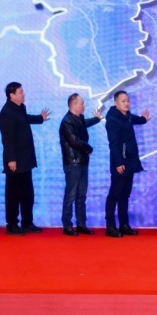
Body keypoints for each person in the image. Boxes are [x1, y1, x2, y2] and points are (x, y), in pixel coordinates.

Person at [0, 82, 51, 236]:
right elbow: (7, 139)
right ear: (11, 95)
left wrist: (40, 118)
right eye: (20, 92)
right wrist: (11, 159)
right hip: (15, 161)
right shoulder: (6, 113)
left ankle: (27, 222)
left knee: (27, 194)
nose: (23, 94)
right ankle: (12, 225)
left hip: (25, 160)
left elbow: (25, 119)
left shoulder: (19, 109)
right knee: (13, 195)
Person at [104, 90, 149, 238]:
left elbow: (136, 119)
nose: (126, 103)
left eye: (128, 101)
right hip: (120, 162)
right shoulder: (112, 119)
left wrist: (144, 119)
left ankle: (124, 225)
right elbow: (113, 144)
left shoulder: (127, 116)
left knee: (125, 194)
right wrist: (118, 162)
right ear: (116, 103)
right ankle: (110, 226)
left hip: (130, 161)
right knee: (114, 194)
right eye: (123, 101)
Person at [59, 93, 104, 237]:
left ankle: (81, 224)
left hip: (82, 162)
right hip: (73, 163)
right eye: (82, 103)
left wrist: (97, 119)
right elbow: (74, 141)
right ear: (74, 105)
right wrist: (89, 148)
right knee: (71, 195)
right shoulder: (67, 122)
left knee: (81, 196)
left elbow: (85, 123)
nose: (84, 106)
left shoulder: (78, 119)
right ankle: (67, 226)